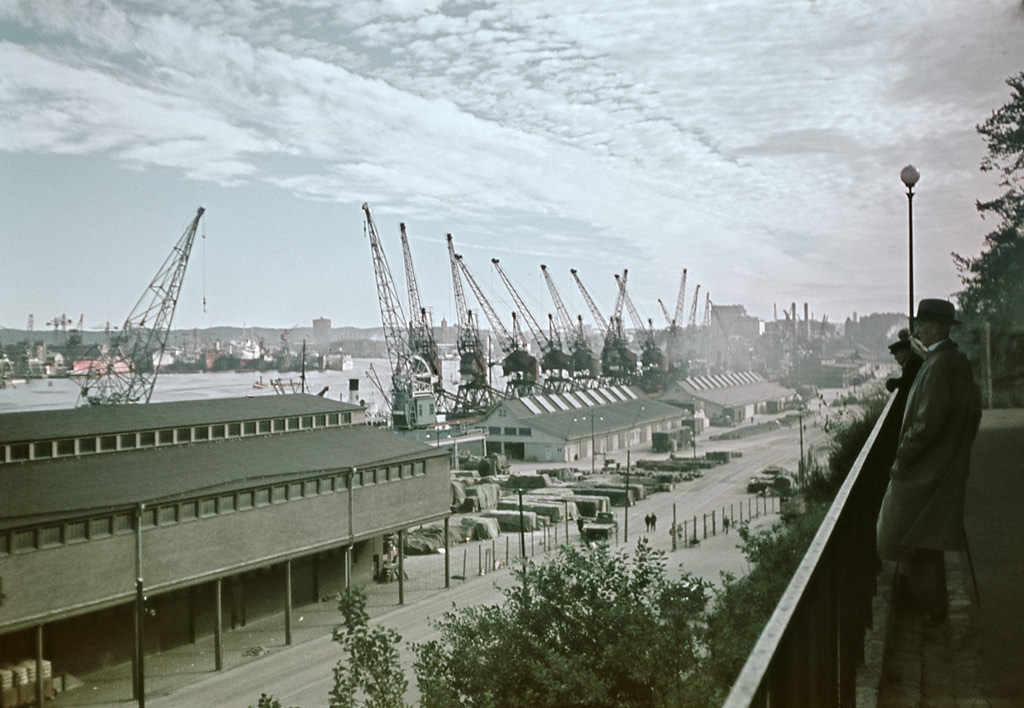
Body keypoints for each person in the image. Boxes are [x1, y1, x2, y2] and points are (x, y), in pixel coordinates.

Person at [876, 299, 982, 623]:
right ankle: (929, 603)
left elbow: (926, 425)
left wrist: (902, 459)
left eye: (921, 324)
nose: (917, 329)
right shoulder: (953, 360)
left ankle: (928, 604)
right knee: (926, 537)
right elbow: (972, 413)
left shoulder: (938, 365)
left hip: (926, 470)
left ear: (934, 327)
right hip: (943, 466)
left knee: (902, 533)